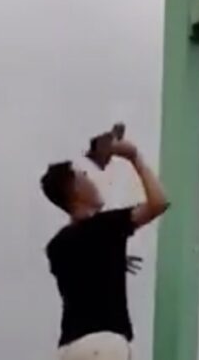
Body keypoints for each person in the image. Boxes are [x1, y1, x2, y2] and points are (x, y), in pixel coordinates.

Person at [41, 134, 170, 360]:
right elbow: (159, 202)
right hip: (103, 345)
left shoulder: (56, 246)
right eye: (84, 176)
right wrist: (134, 156)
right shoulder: (107, 226)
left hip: (68, 350)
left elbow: (85, 264)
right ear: (75, 189)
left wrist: (115, 258)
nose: (91, 180)